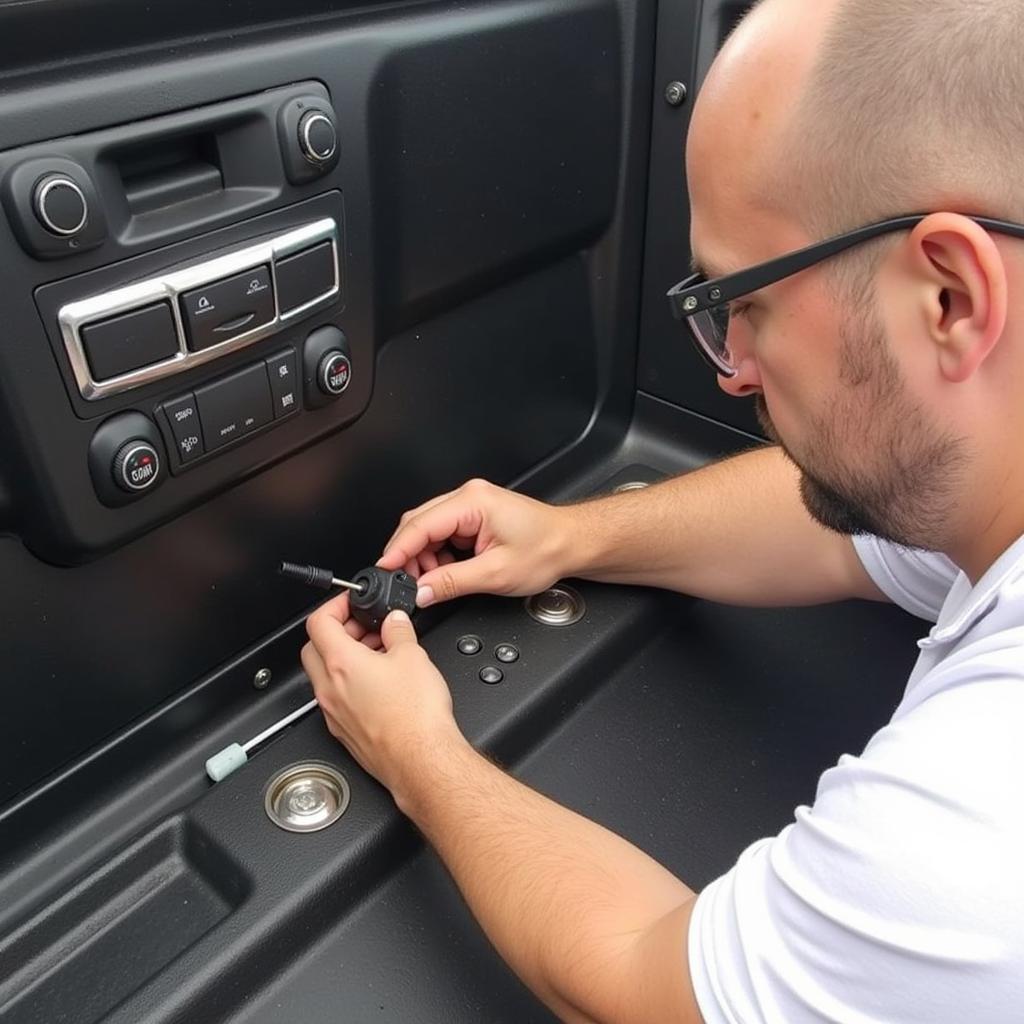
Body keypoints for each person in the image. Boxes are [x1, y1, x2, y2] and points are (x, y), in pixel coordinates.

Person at [301, 0, 1024, 1019]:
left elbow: (645, 977)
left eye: (747, 303)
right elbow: (860, 529)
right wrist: (572, 533)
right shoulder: (990, 462)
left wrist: (415, 751)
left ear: (948, 296)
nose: (732, 372)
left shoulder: (979, 842)